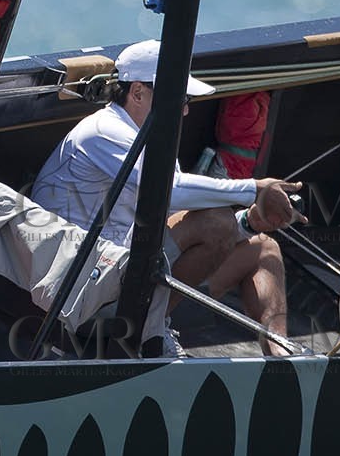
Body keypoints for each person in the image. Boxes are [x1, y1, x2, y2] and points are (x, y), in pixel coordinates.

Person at [30, 39, 301, 351]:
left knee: (263, 248)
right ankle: (150, 332)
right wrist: (254, 189)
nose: (185, 109)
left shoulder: (151, 139)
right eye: (179, 97)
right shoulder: (103, 130)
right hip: (76, 294)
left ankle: (284, 358)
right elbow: (169, 192)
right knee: (216, 223)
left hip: (116, 270)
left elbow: (166, 210)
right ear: (137, 93)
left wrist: (249, 223)